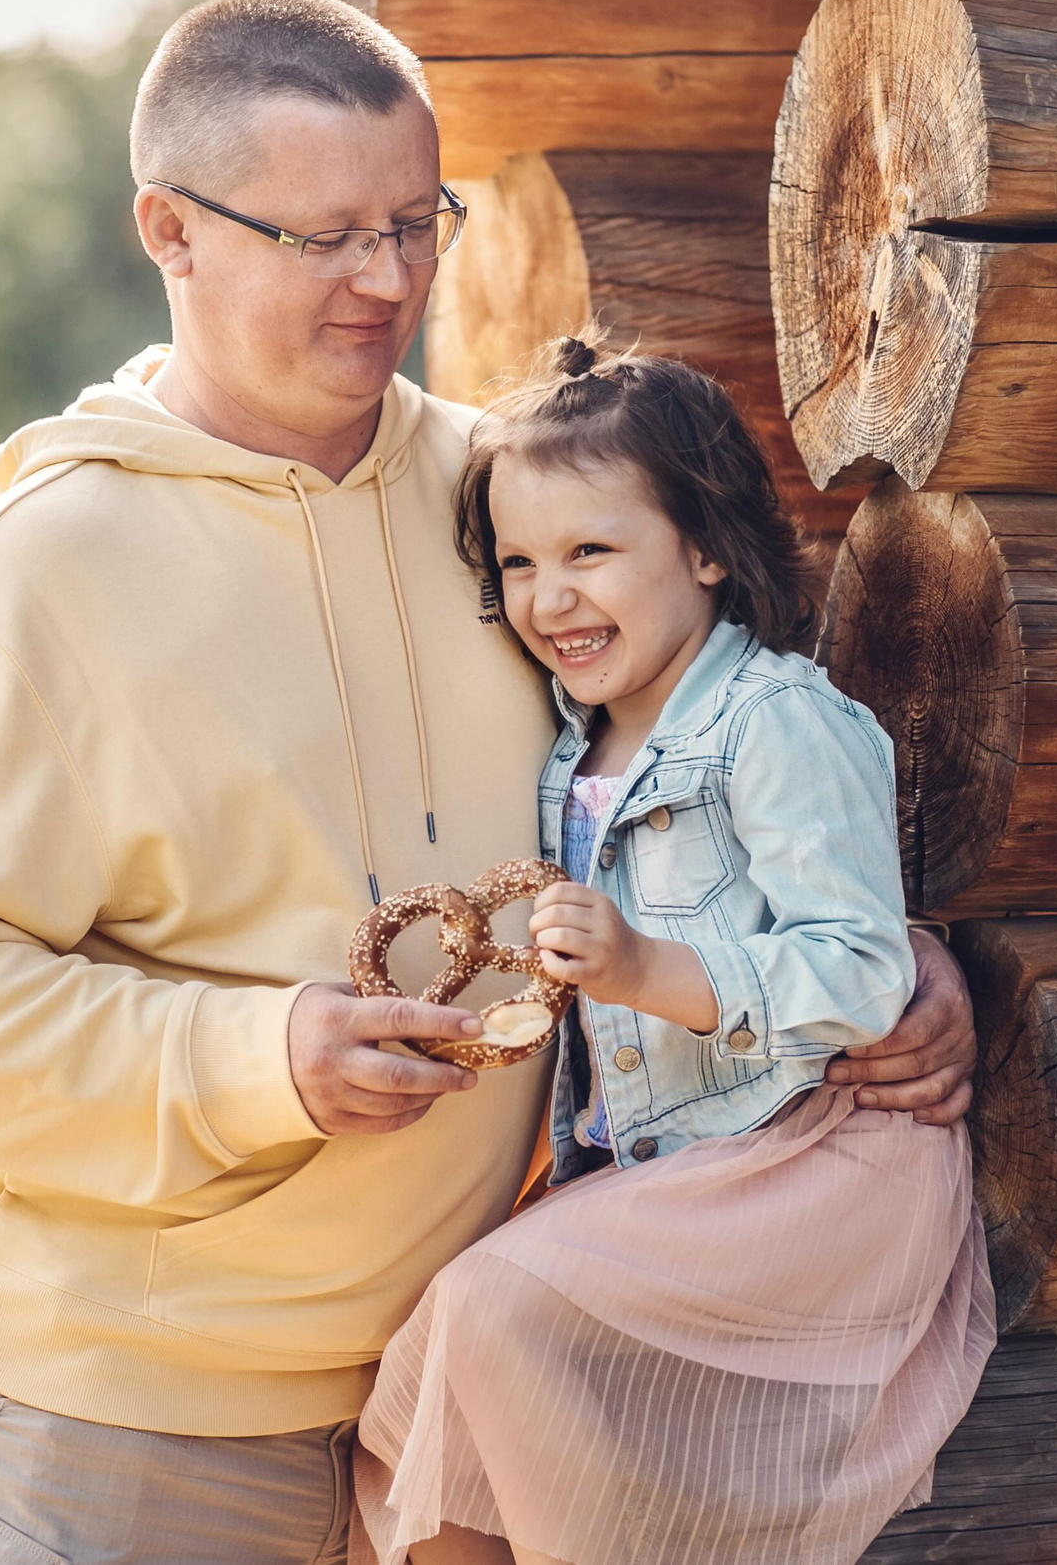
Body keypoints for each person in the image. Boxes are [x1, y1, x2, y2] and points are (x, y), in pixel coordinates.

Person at [0, 0, 980, 1565]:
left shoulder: (513, 503)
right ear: (170, 228)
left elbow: (684, 793)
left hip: (433, 1410)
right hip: (95, 1412)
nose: (387, 281)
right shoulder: (29, 581)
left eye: (415, 221)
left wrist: (892, 960)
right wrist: (260, 1054)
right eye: (322, 236)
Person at [352, 337, 996, 1565]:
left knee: (490, 1310)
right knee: (407, 1440)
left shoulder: (779, 724)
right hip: (671, 1167)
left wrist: (650, 971)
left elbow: (863, 972)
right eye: (520, 563)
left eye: (591, 552)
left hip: (809, 1162)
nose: (549, 599)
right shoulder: (568, 749)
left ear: (705, 547)